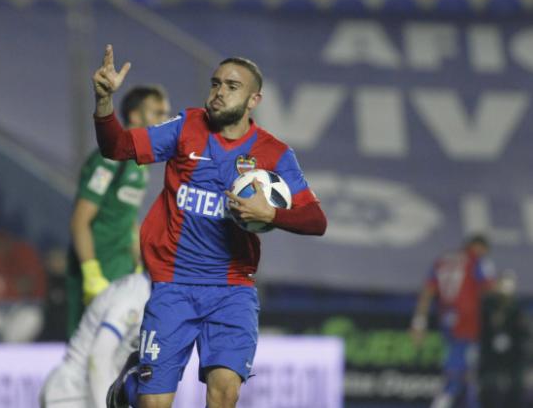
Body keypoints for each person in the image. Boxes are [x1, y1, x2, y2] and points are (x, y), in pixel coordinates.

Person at [92, 45, 327, 408]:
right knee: (154, 404)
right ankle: (132, 388)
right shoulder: (186, 127)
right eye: (215, 83)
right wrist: (105, 102)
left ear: (254, 100)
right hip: (174, 285)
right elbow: (117, 147)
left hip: (233, 290)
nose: (219, 91)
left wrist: (272, 215)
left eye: (232, 86)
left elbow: (316, 220)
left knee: (224, 392)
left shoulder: (275, 154)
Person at [66, 85, 171, 337]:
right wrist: (91, 273)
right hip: (98, 271)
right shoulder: (109, 159)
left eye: (166, 114)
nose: (165, 121)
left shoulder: (140, 163)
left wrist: (139, 263)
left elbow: (128, 216)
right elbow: (80, 221)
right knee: (88, 358)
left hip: (122, 269)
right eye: (157, 113)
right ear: (135, 116)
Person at [41, 273, 151, 408]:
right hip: (71, 393)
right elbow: (99, 356)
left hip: (93, 391)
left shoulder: (158, 295)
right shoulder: (135, 293)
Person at [410, 235, 496, 408]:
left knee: (462, 372)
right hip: (466, 323)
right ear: (477, 247)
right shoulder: (476, 261)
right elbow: (490, 289)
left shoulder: (442, 260)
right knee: (463, 374)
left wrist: (419, 322)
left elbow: (428, 291)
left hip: (448, 320)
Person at [479, 270, 528, 408]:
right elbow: (483, 332)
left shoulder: (517, 310)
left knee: (515, 387)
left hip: (513, 357)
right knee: (489, 388)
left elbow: (523, 335)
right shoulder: (487, 306)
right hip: (490, 358)